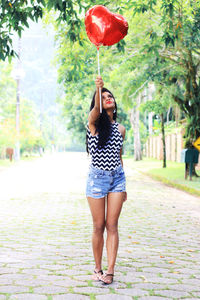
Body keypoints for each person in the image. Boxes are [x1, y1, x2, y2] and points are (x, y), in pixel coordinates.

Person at [86, 75, 127, 285]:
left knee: (112, 225)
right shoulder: (93, 123)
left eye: (110, 95)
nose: (107, 98)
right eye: (103, 97)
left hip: (117, 179)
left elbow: (119, 156)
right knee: (98, 226)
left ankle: (110, 271)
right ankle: (97, 267)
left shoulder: (121, 129)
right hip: (97, 179)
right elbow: (94, 113)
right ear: (97, 103)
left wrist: (124, 185)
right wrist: (97, 89)